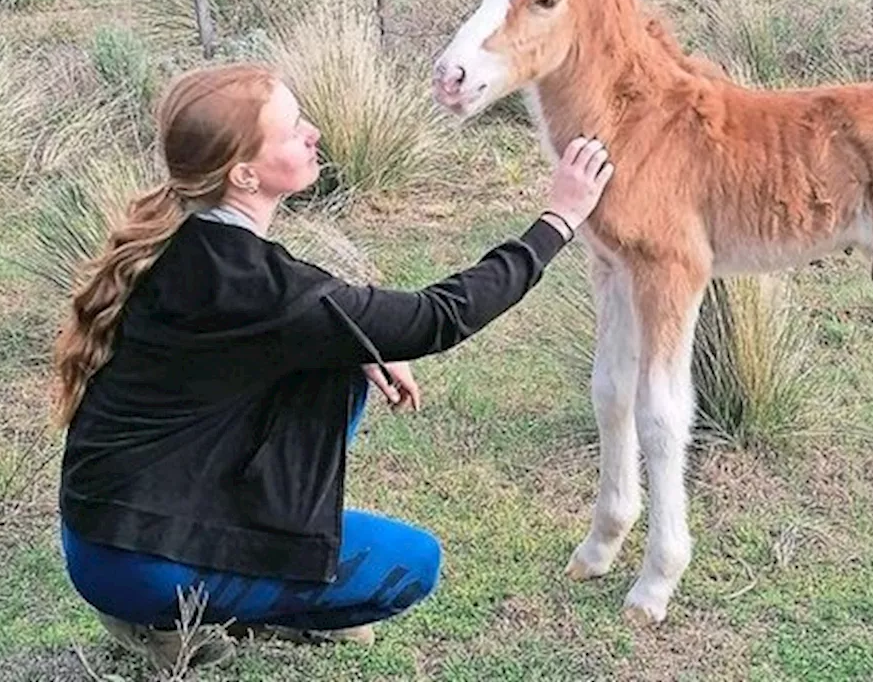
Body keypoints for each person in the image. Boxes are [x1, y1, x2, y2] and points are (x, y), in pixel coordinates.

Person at [52, 62, 614, 671]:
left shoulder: (184, 241)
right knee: (413, 566)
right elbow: (438, 317)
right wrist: (559, 218)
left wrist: (354, 350)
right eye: (293, 129)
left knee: (342, 363)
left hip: (99, 532)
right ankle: (175, 617)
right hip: (144, 561)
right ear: (243, 173)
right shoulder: (256, 284)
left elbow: (304, 334)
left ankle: (177, 599)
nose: (314, 132)